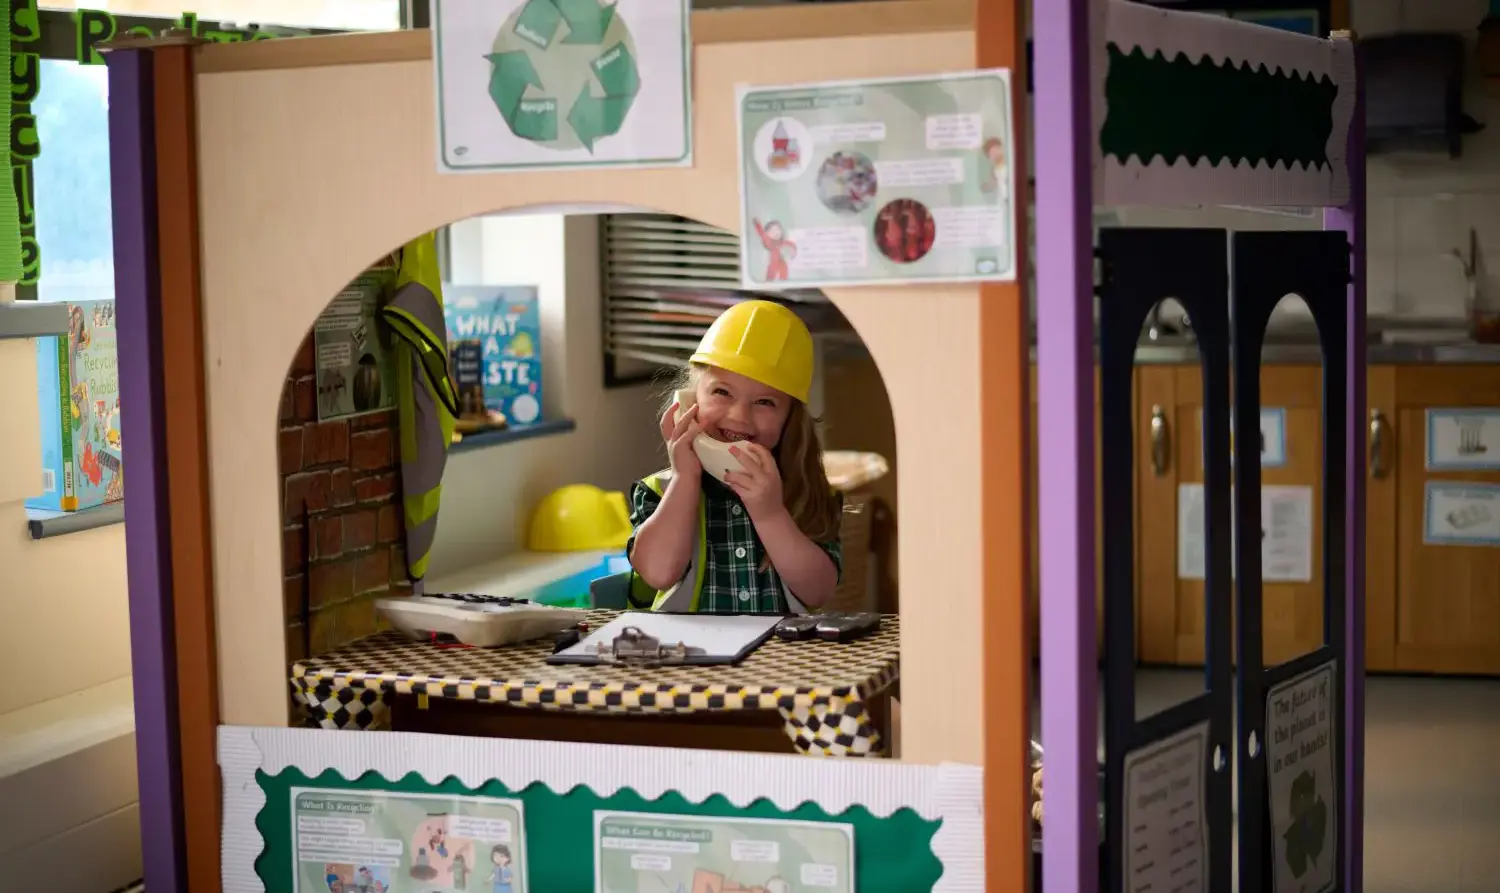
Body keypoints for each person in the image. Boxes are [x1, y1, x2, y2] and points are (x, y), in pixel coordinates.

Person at [627, 300, 843, 614]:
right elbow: (659, 573)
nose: (740, 417)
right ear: (691, 399)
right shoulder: (658, 491)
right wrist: (685, 479)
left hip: (778, 661)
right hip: (689, 658)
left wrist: (770, 514)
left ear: (790, 418)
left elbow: (819, 591)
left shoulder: (811, 492)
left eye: (765, 401)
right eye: (722, 392)